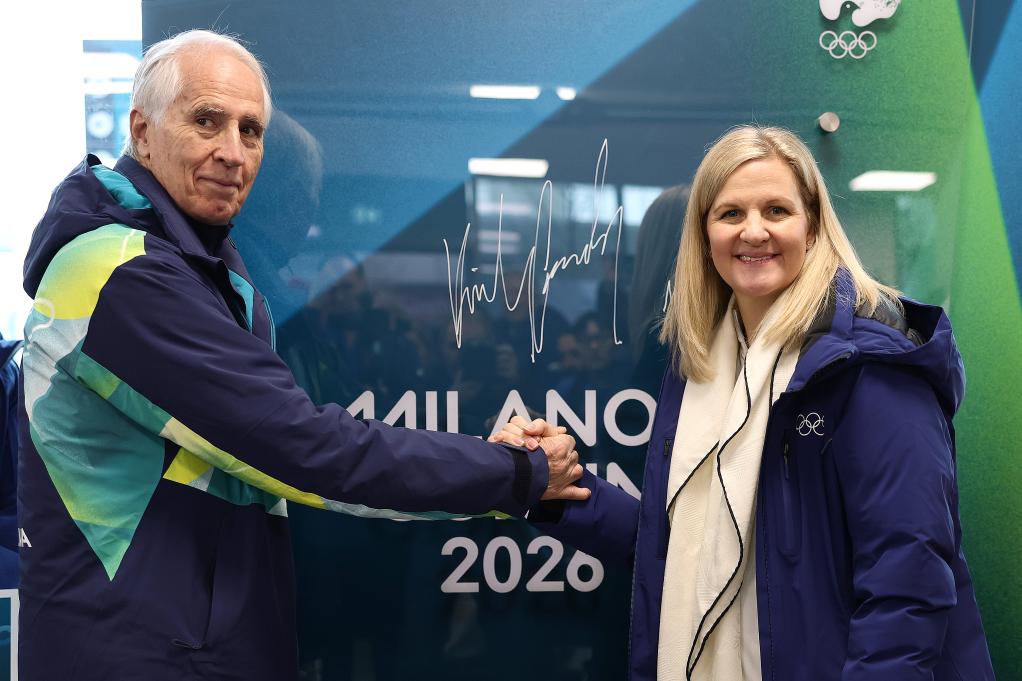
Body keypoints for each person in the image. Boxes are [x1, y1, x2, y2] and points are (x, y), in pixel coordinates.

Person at [17, 29, 584, 681]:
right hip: (138, 654)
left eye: (250, 131)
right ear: (142, 132)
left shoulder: (191, 265)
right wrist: (512, 473)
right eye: (207, 121)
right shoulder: (124, 273)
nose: (232, 153)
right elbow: (298, 446)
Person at [495, 126, 995, 680]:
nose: (753, 231)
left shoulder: (871, 367)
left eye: (776, 210)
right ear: (704, 235)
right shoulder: (700, 369)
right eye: (730, 213)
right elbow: (679, 551)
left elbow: (908, 584)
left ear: (812, 226)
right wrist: (557, 492)